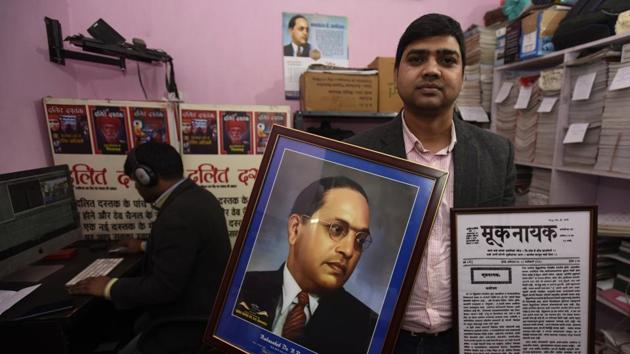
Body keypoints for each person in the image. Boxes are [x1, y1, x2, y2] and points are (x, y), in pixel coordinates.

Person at [346, 13, 516, 354]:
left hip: (465, 339)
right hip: (380, 339)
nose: (432, 69)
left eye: (447, 59)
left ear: (462, 75)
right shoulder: (355, 154)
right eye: (417, 58)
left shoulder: (498, 154)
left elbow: (505, 252)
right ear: (396, 74)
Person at [67, 142, 231, 354]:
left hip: (188, 324)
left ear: (146, 177)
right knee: (129, 326)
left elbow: (162, 288)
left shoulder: (177, 215)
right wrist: (144, 245)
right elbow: (187, 247)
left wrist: (108, 287)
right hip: (207, 311)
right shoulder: (199, 197)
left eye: (135, 181)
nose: (136, 187)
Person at [234, 176, 378, 354]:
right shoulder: (239, 287)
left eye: (360, 239)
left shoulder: (368, 329)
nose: (349, 250)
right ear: (295, 229)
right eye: (337, 229)